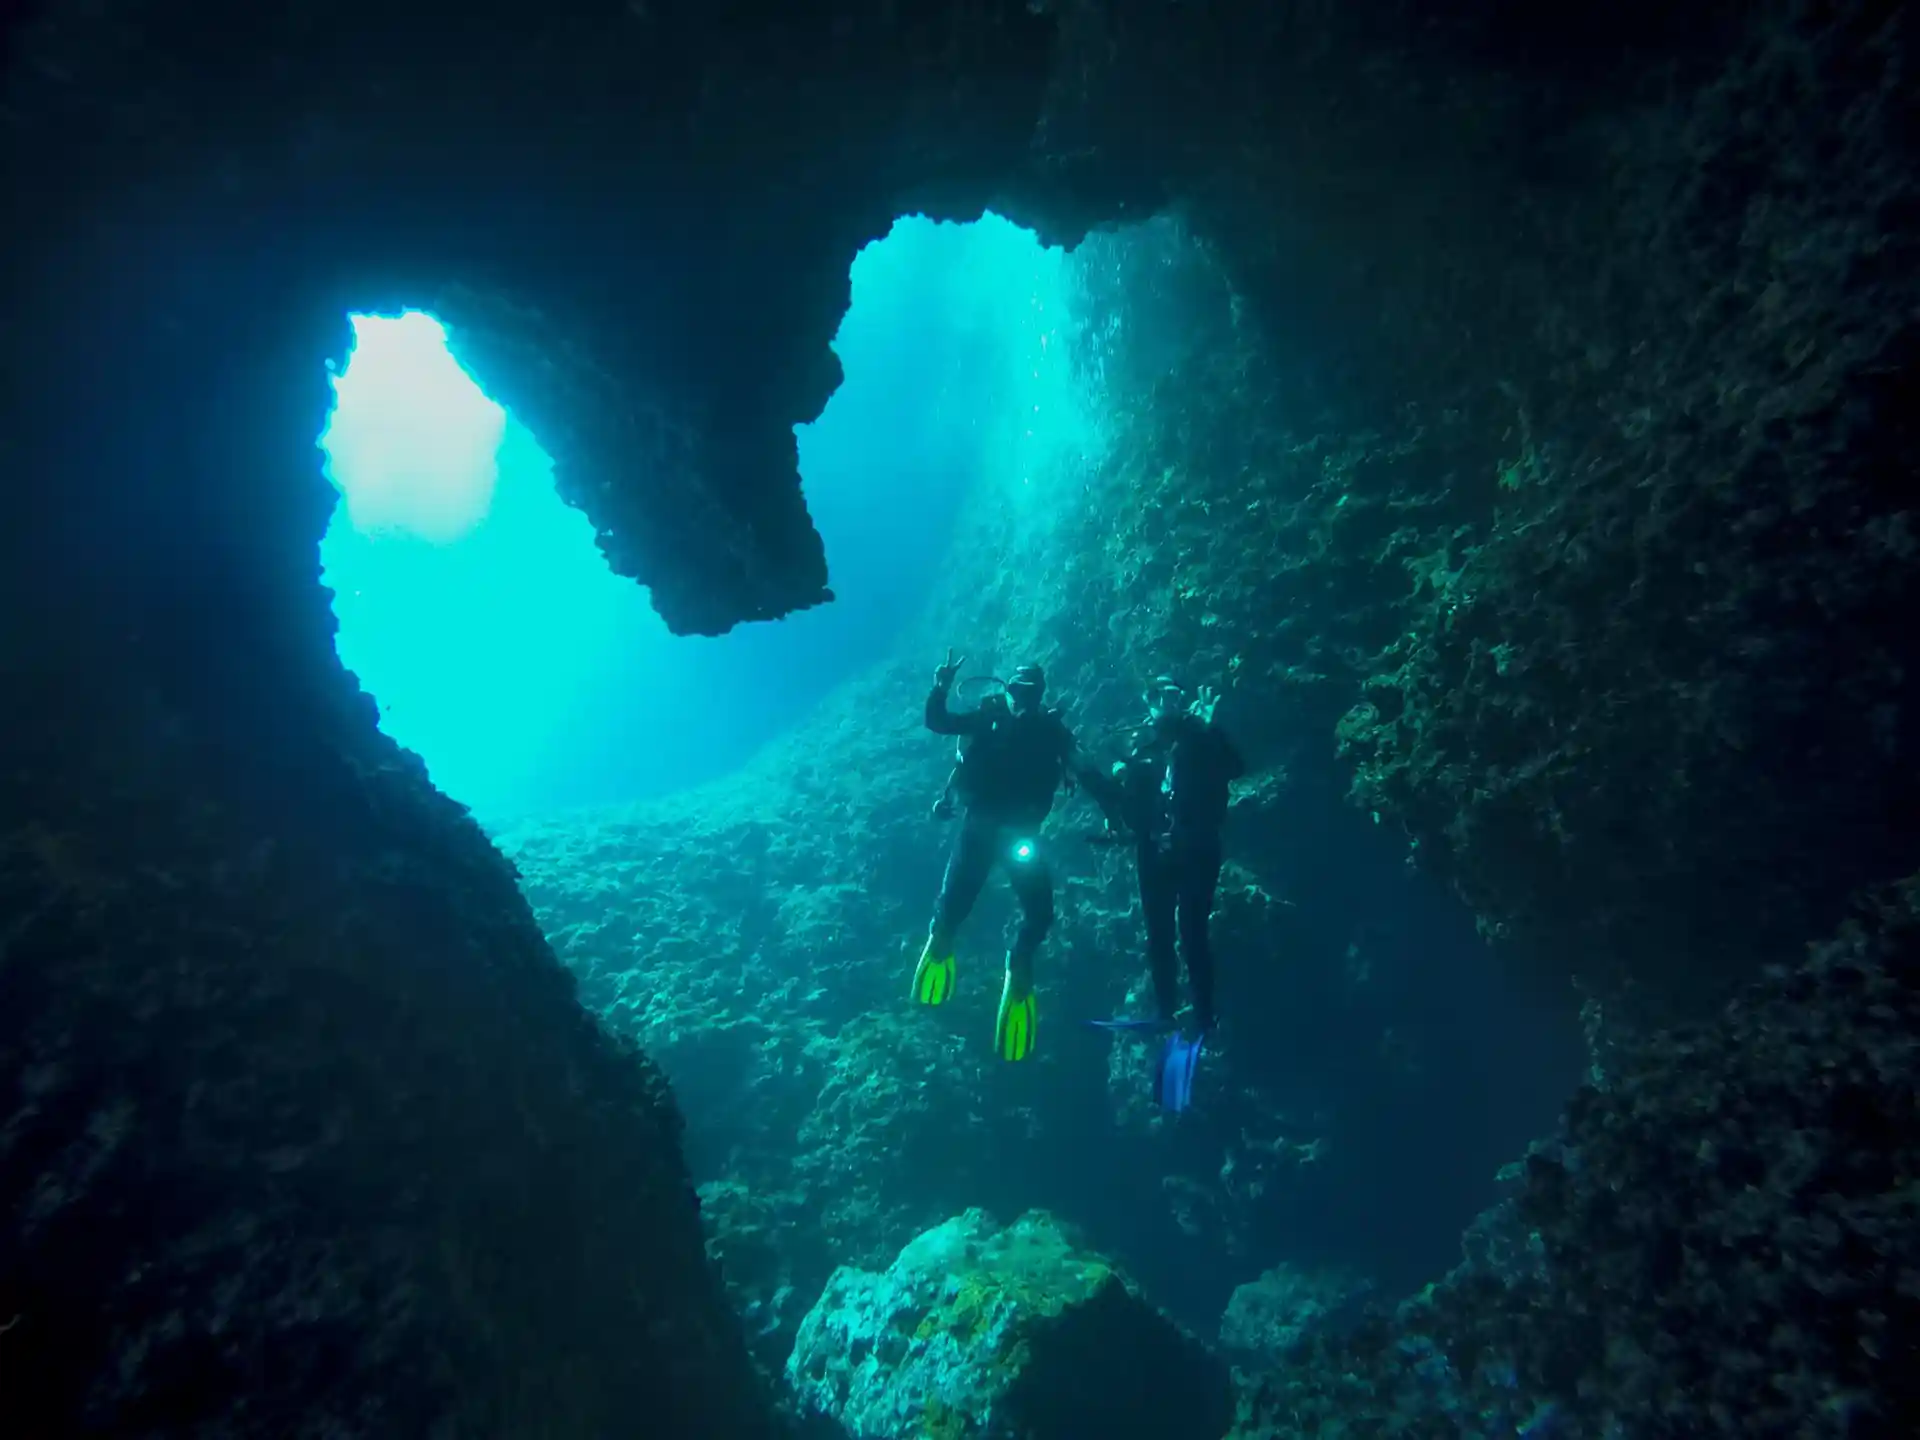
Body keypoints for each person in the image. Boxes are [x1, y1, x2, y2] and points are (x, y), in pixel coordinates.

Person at [910, 649, 1090, 1062]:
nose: (1022, 699)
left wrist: (1117, 807)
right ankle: (943, 936)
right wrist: (939, 687)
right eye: (1017, 690)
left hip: (1020, 836)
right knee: (957, 899)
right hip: (981, 827)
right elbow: (938, 722)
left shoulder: (1052, 731)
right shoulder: (987, 717)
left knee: (1040, 912)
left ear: (1041, 695)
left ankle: (1019, 960)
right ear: (1007, 689)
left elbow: (1086, 771)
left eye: (1031, 692)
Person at [1083, 675, 1244, 1109]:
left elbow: (1236, 768)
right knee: (1157, 934)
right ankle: (1167, 1010)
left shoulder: (1201, 738)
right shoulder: (1141, 749)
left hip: (1197, 849)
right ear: (1147, 701)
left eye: (1174, 693)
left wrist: (1211, 729)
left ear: (1182, 699)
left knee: (1191, 932)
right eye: (1158, 695)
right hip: (1154, 852)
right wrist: (1092, 772)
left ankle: (1204, 1014)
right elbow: (1124, 806)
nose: (1167, 702)